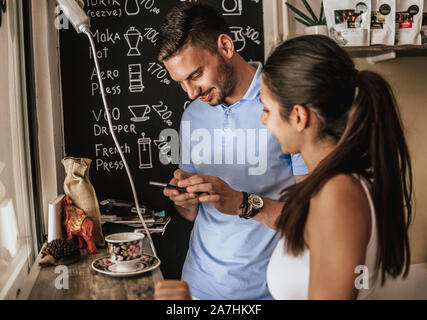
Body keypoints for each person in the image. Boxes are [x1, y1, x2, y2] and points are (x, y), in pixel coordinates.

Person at [154, 35, 413, 300]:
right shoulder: (331, 186)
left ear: (299, 117)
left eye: (266, 109)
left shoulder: (338, 194)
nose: (263, 121)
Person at [155, 3, 308, 300]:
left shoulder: (284, 104)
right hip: (197, 287)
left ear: (225, 46)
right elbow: (192, 214)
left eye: (196, 74)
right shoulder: (192, 115)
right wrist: (184, 198)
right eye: (181, 83)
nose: (191, 92)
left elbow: (310, 219)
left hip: (268, 291)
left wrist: (241, 202)